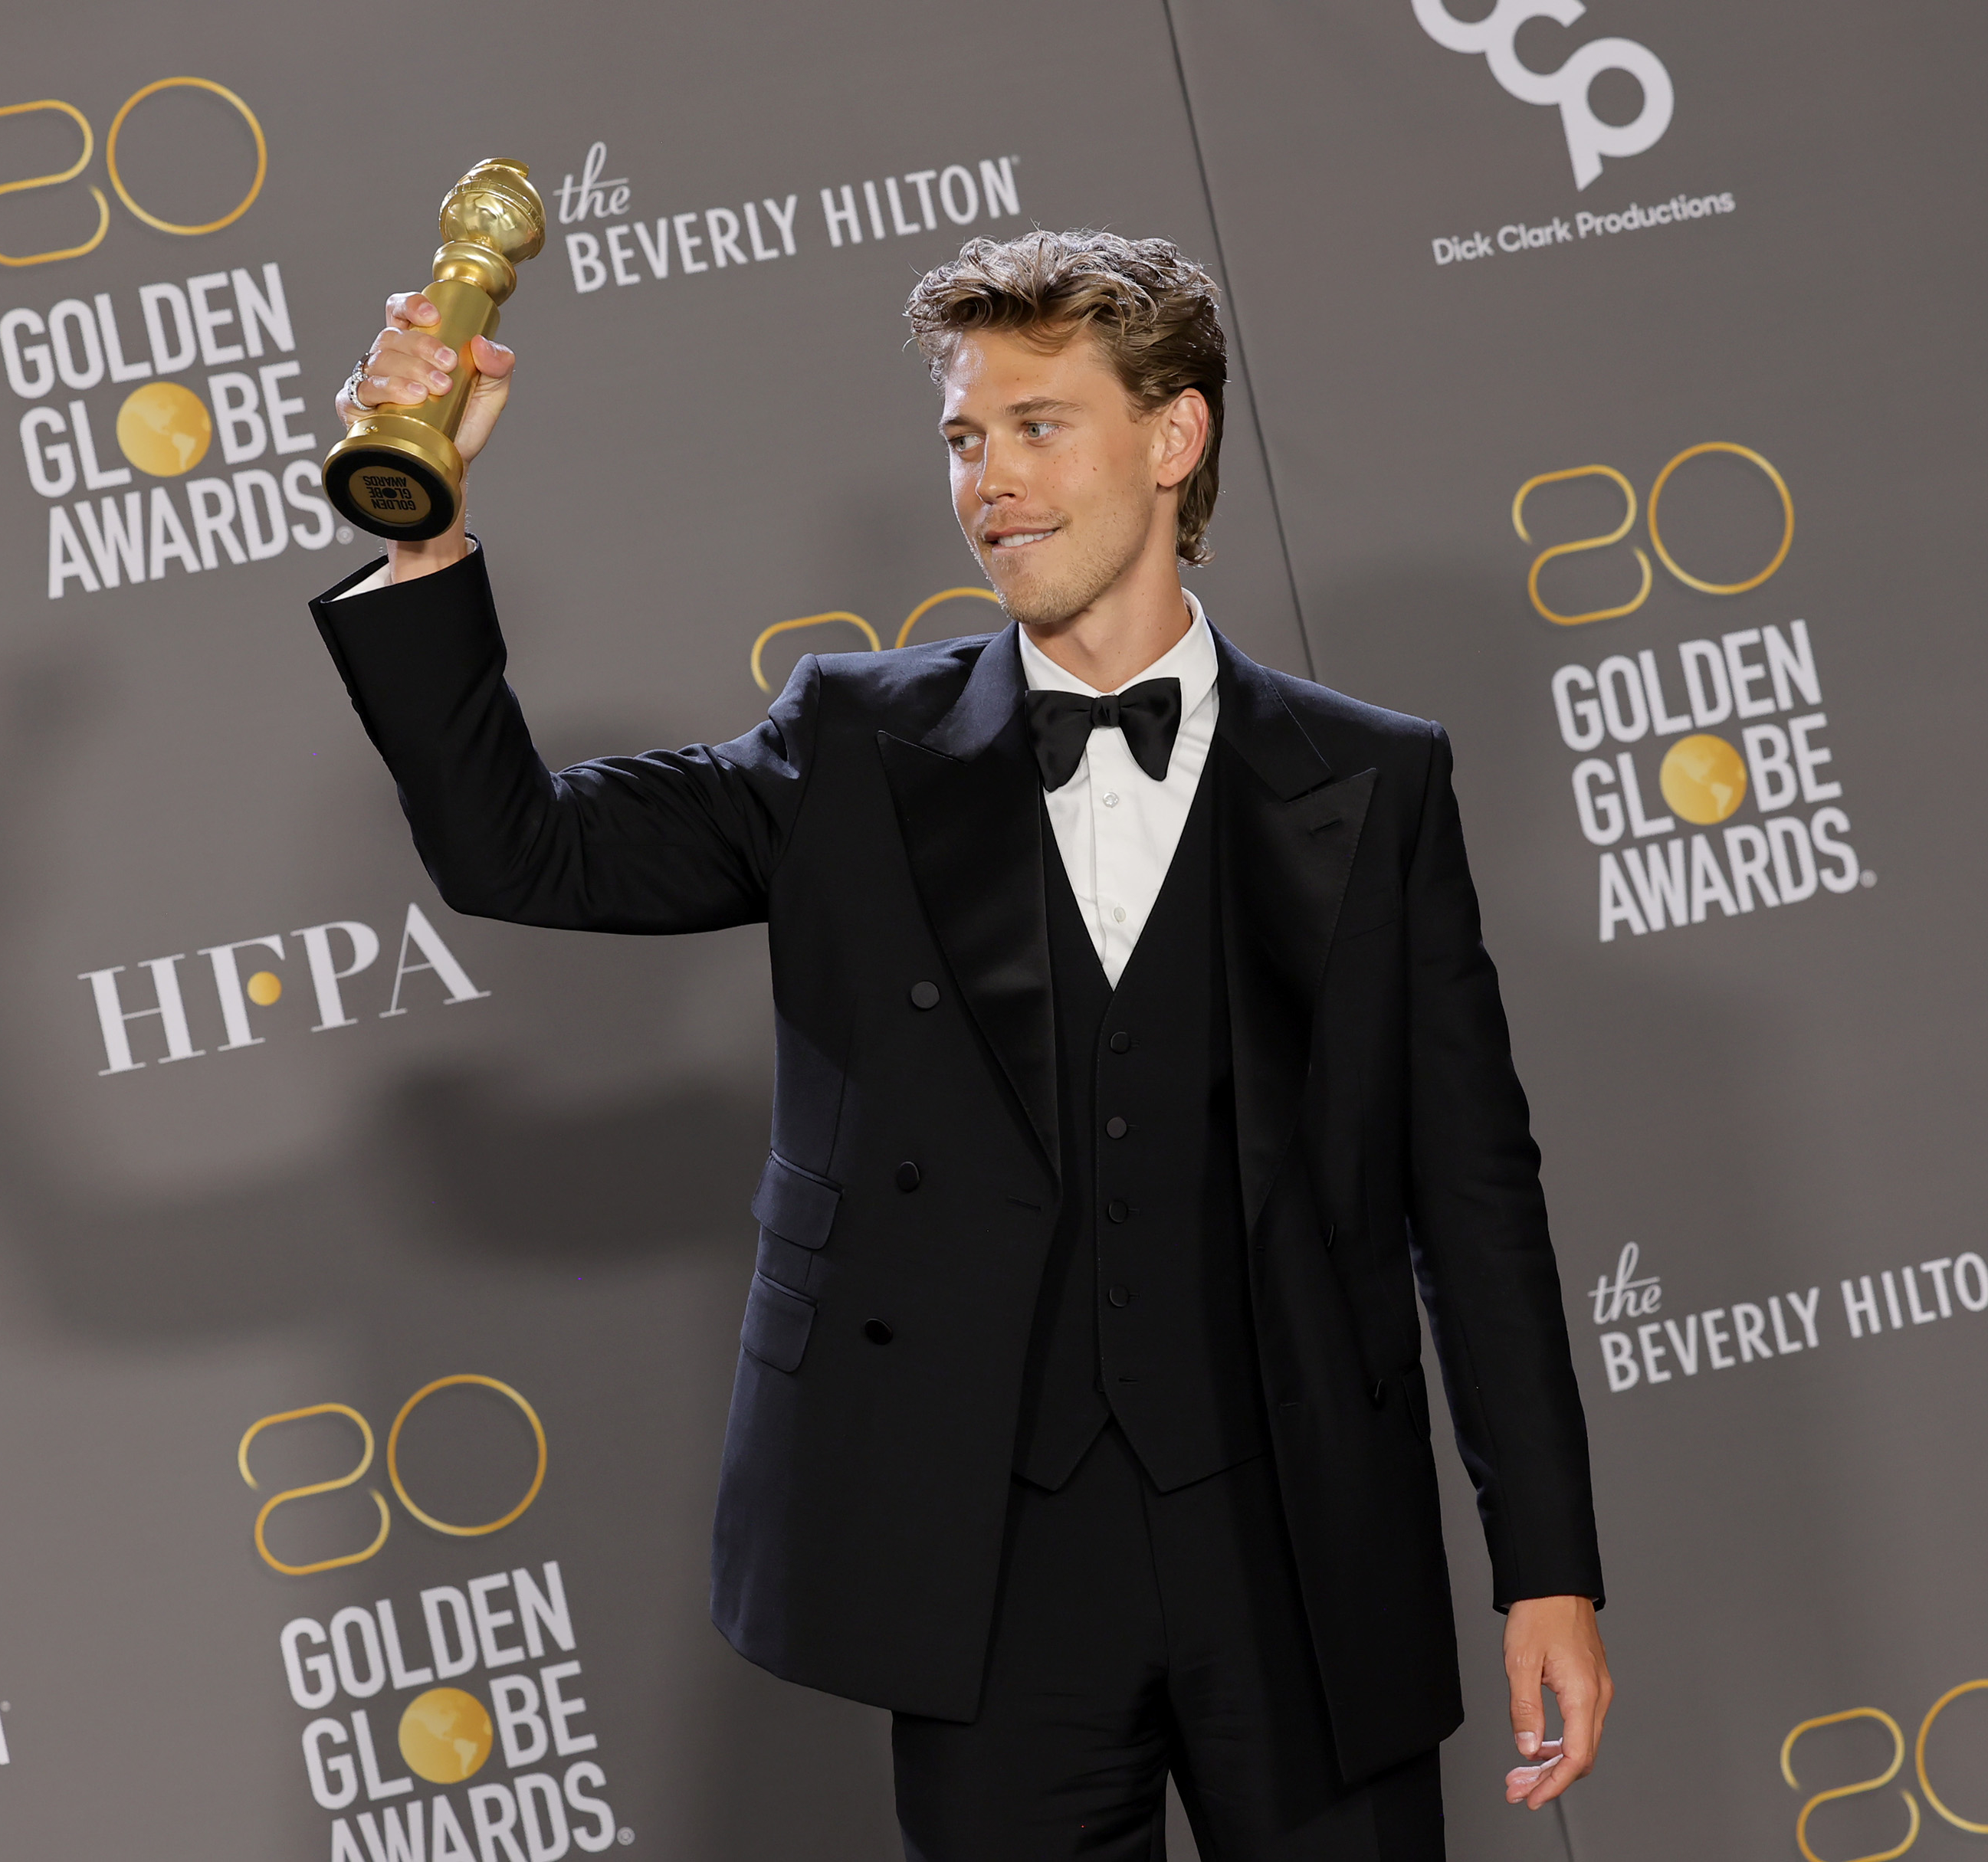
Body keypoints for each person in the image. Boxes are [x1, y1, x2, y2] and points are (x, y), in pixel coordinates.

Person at [310, 230, 1608, 1861]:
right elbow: (521, 855)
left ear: (1172, 436)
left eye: (1035, 425)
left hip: (1296, 1552)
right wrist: (420, 537)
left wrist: (1545, 1563)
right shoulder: (853, 747)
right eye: (960, 438)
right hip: (989, 1575)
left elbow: (1473, 1203)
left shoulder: (1374, 779)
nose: (986, 480)